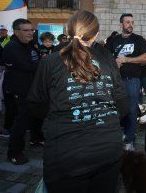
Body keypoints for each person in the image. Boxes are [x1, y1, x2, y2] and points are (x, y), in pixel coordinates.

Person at [27, 11, 128, 192]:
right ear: (96, 34)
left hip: (68, 152)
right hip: (105, 149)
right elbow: (122, 104)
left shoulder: (50, 61)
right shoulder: (107, 59)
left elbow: (37, 104)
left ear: (68, 30)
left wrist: (59, 116)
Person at [104, 13, 146, 151]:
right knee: (115, 110)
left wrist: (126, 60)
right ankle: (118, 136)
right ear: (121, 24)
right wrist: (113, 63)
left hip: (132, 81)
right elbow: (105, 57)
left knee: (131, 111)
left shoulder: (138, 39)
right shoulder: (113, 40)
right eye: (127, 22)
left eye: (132, 22)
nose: (130, 24)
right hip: (115, 81)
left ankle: (129, 139)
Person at [1, 18, 40, 164]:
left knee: (27, 120)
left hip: (29, 89)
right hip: (18, 90)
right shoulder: (13, 47)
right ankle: (14, 152)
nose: (30, 33)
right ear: (17, 32)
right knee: (20, 123)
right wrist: (45, 61)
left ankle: (33, 140)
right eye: (26, 30)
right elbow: (29, 66)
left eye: (32, 30)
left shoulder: (28, 44)